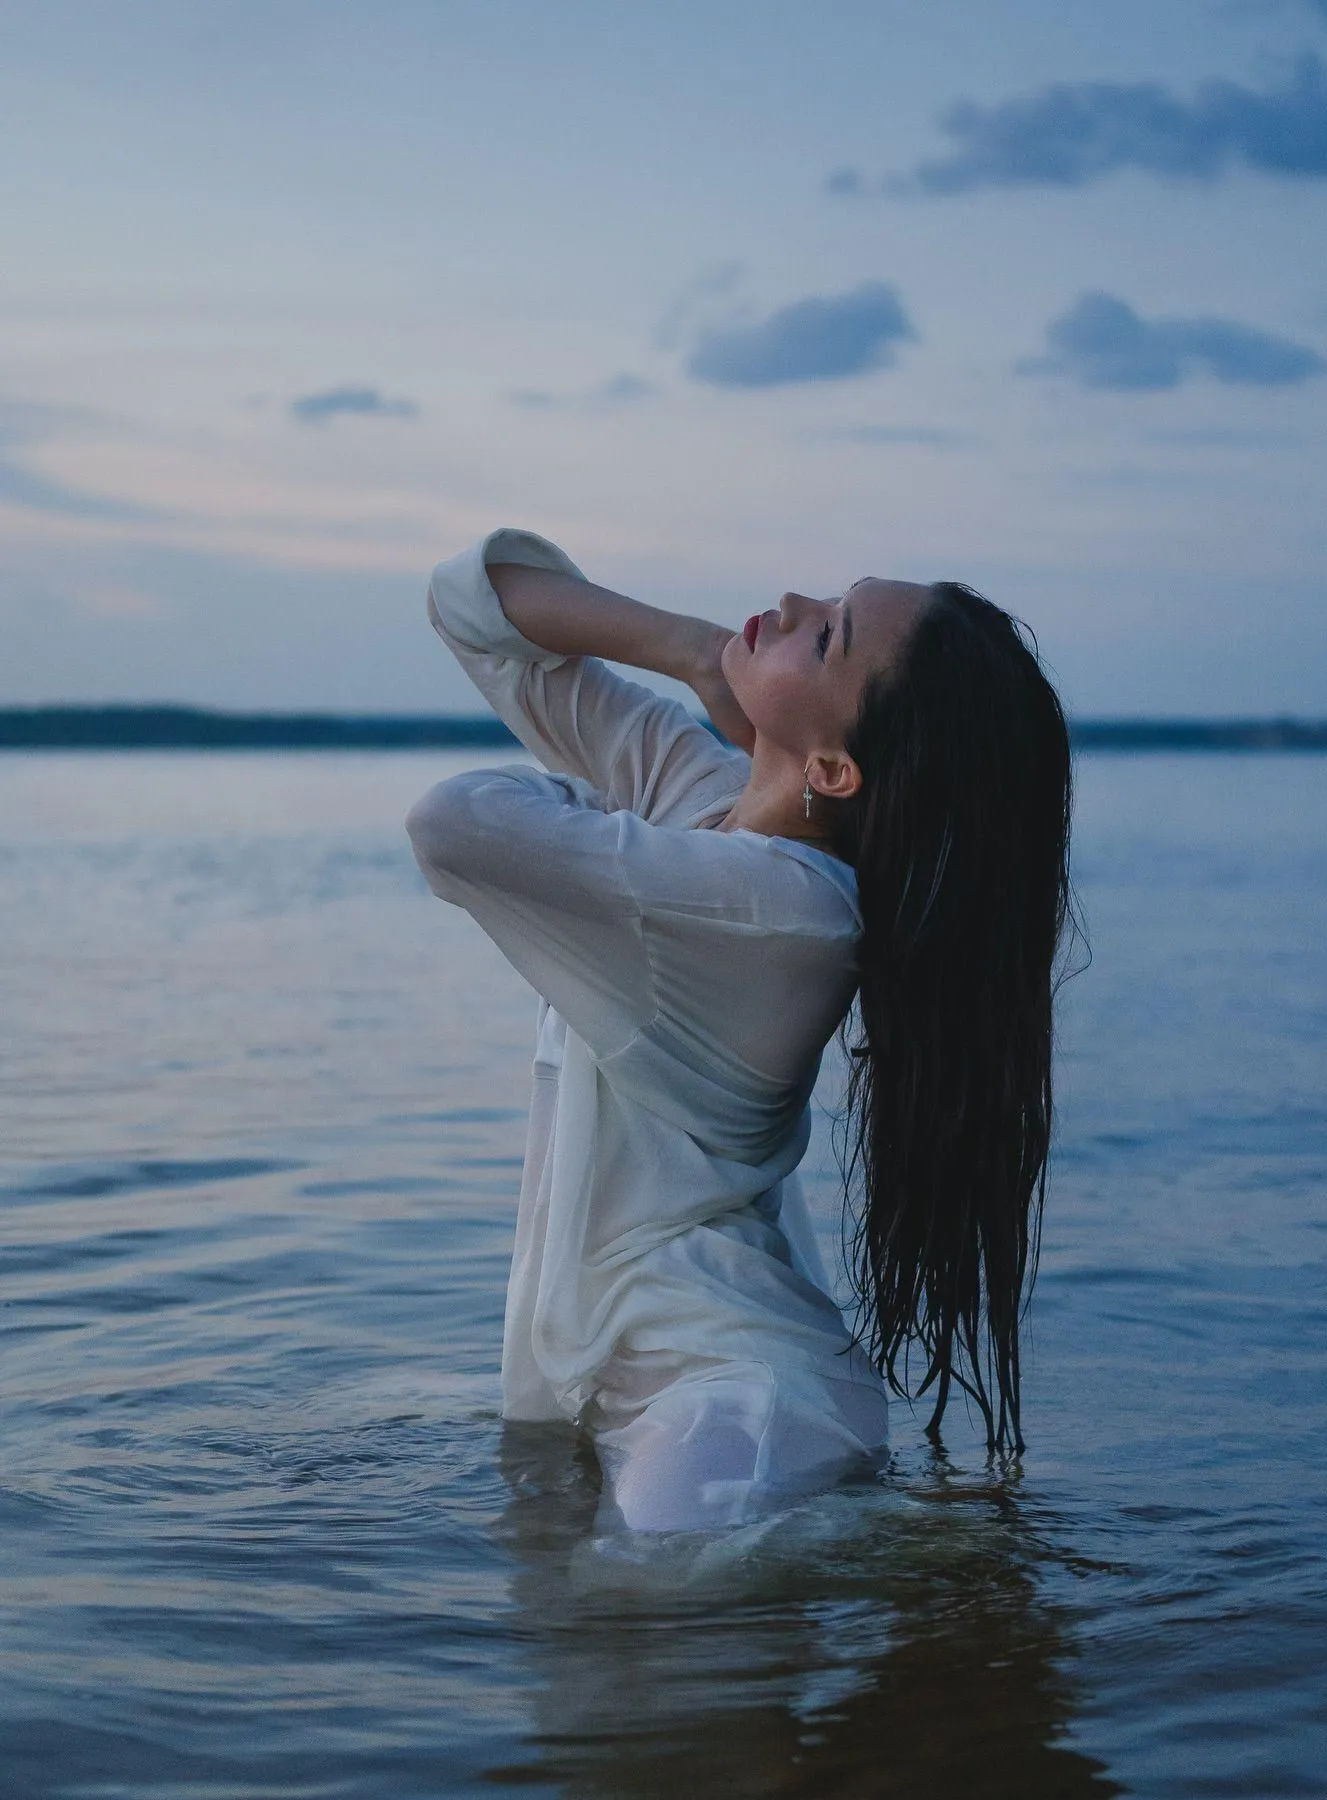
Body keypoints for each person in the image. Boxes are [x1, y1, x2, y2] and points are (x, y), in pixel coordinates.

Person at [406, 528, 1075, 1532]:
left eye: (829, 637)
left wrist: (594, 809)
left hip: (728, 1405)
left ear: (838, 770)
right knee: (620, 1652)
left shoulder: (781, 909)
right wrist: (689, 648)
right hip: (660, 1377)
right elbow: (477, 608)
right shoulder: (701, 801)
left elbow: (452, 824)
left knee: (659, 1630)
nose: (795, 601)